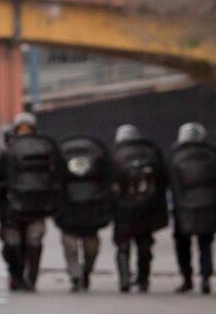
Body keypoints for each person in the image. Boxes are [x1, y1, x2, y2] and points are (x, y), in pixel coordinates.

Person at [0, 112, 62, 292]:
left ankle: (31, 277)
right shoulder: (7, 154)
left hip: (37, 206)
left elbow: (56, 177)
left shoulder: (46, 151)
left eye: (28, 129)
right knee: (12, 245)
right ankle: (16, 275)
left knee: (34, 243)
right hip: (12, 208)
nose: (24, 133)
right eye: (21, 129)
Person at [111, 124, 168, 293]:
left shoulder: (116, 154)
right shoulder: (151, 152)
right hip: (147, 208)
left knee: (122, 245)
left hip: (123, 209)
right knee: (144, 245)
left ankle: (124, 278)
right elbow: (163, 180)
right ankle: (143, 280)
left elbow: (109, 182)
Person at [55, 136, 113, 292]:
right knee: (83, 246)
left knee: (77, 247)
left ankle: (81, 273)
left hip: (73, 211)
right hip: (88, 211)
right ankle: (79, 274)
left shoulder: (61, 158)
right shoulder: (99, 158)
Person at [166, 122, 214, 294]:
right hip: (207, 206)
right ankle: (205, 278)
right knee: (205, 244)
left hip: (182, 207)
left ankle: (187, 278)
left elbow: (169, 182)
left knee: (182, 244)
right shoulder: (210, 154)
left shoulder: (175, 156)